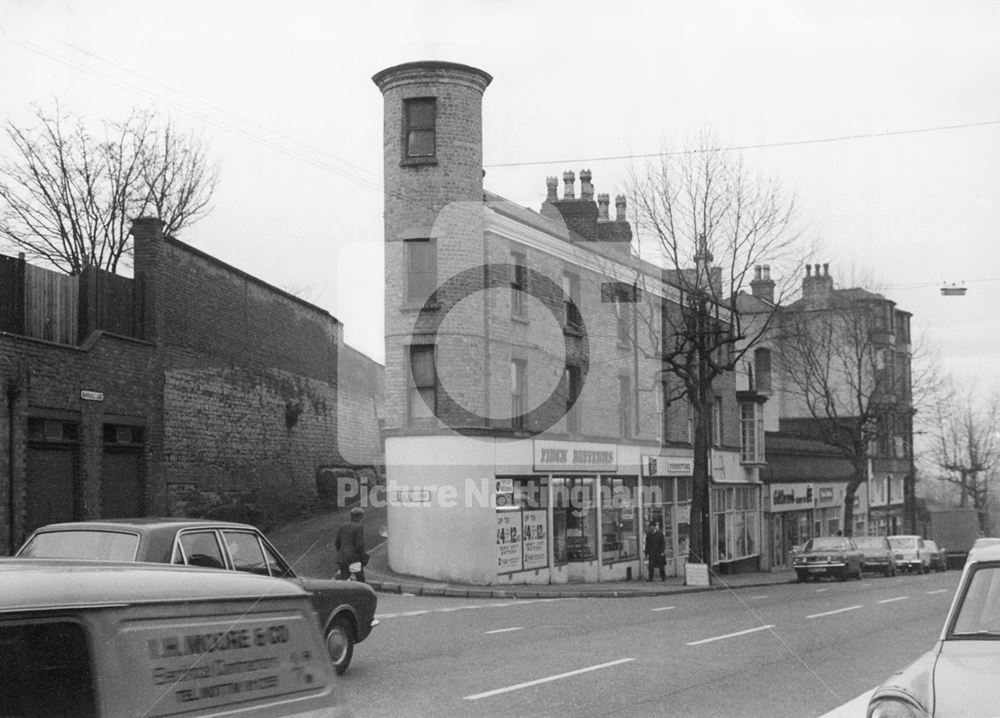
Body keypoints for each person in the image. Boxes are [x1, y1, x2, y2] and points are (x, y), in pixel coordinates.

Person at [335, 506, 369, 582]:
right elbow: (360, 544)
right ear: (360, 517)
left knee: (344, 578)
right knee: (360, 578)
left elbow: (337, 542)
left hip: (342, 557)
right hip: (354, 559)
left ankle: (343, 593)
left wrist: (341, 551)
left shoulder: (342, 526)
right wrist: (361, 556)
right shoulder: (359, 527)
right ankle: (361, 593)